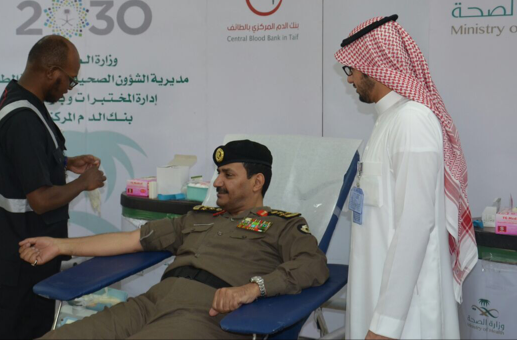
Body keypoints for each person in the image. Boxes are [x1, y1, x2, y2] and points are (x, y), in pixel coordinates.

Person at [19, 140, 329, 339]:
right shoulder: (199, 217)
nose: (217, 182)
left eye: (228, 175)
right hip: (150, 303)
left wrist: (252, 288)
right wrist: (60, 246)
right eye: (218, 173)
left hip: (204, 315)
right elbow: (131, 240)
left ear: (257, 182)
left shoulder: (282, 225)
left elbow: (313, 266)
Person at [335, 15, 477, 340]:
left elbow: (415, 225)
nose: (350, 78)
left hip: (407, 316)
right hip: (378, 295)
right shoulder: (388, 121)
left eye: (352, 69)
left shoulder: (413, 121)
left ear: (373, 65)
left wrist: (385, 325)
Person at [0, 35, 107, 339]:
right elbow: (41, 200)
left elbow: (20, 160)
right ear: (51, 72)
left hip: (16, 249)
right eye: (70, 79)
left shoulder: (19, 97)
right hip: (15, 258)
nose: (69, 88)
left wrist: (64, 162)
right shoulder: (23, 119)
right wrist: (83, 183)